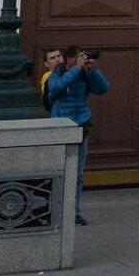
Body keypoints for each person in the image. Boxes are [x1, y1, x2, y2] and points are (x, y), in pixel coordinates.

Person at [46, 46, 109, 225]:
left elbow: (103, 88)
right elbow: (56, 88)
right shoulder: (57, 74)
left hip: (81, 126)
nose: (82, 60)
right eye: (78, 57)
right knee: (59, 171)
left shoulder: (84, 75)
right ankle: (55, 209)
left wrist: (93, 70)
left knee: (78, 174)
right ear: (69, 59)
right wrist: (75, 70)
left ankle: (74, 212)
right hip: (61, 127)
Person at [35, 47, 62, 113]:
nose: (57, 59)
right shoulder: (47, 77)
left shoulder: (72, 70)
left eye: (59, 56)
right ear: (46, 64)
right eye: (53, 58)